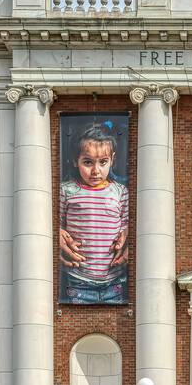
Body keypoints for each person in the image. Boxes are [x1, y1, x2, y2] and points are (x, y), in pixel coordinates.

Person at [58, 122, 129, 304]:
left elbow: (128, 225)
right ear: (76, 160)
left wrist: (126, 236)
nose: (96, 170)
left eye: (103, 162)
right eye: (88, 162)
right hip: (78, 281)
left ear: (112, 159)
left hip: (114, 281)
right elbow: (54, 224)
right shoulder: (67, 191)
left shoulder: (120, 192)